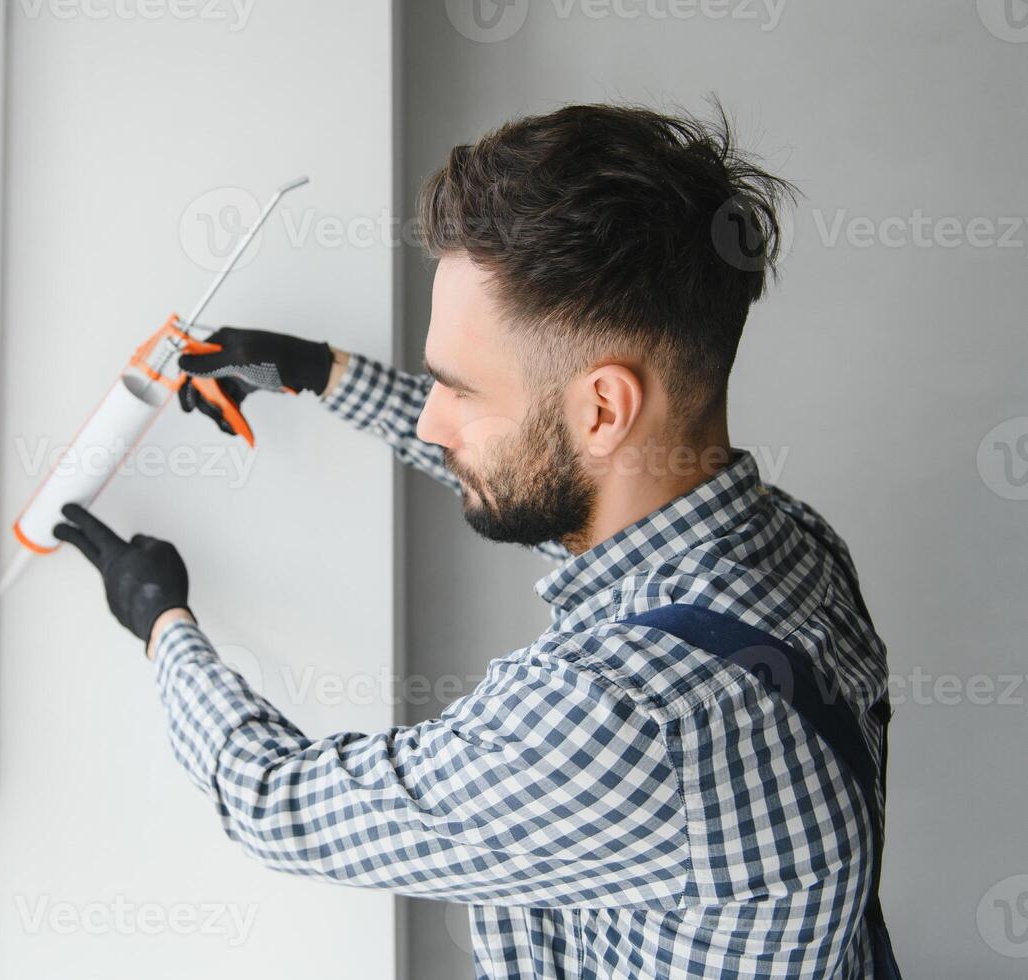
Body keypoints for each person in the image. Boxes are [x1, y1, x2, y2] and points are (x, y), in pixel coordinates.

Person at [53, 103, 899, 979]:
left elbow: (278, 804)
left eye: (457, 387)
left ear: (603, 408)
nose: (429, 416)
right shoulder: (789, 548)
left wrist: (161, 624)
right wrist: (319, 371)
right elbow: (548, 479)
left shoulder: (613, 717)